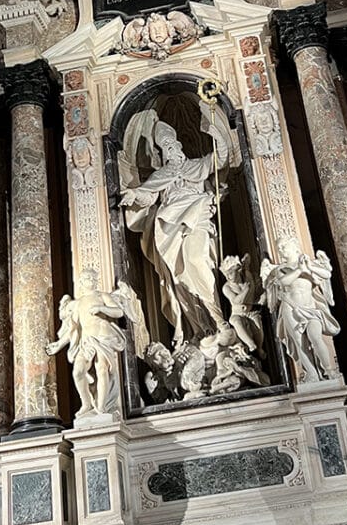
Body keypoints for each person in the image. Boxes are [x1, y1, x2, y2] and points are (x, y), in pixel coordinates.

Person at [121, 120, 227, 346]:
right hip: (170, 227)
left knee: (197, 260)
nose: (172, 149)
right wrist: (134, 195)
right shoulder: (163, 174)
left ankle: (218, 318)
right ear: (163, 152)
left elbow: (222, 157)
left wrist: (215, 132)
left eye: (174, 145)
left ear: (180, 145)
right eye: (167, 147)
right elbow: (148, 195)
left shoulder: (197, 166)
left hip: (197, 217)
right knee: (179, 276)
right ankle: (200, 327)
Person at [46, 271, 127, 416]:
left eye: (93, 278)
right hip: (86, 341)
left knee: (102, 369)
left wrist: (102, 308)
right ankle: (86, 403)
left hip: (103, 338)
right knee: (78, 371)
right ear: (81, 282)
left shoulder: (102, 296)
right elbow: (74, 329)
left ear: (97, 281)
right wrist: (59, 344)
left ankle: (101, 407)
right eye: (86, 278)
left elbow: (118, 312)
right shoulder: (77, 303)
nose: (90, 280)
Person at [260, 239, 339, 382]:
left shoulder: (310, 264)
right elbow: (283, 282)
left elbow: (326, 274)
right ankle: (312, 373)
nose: (281, 249)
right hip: (290, 307)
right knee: (299, 342)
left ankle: (329, 370)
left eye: (284, 246)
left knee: (316, 337)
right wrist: (299, 270)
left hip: (310, 307)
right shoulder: (280, 269)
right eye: (279, 248)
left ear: (295, 247)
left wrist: (309, 267)